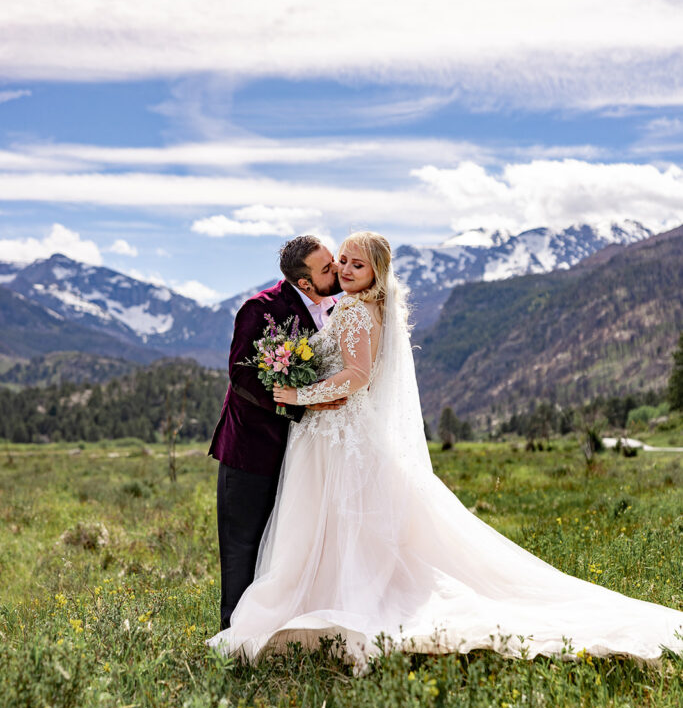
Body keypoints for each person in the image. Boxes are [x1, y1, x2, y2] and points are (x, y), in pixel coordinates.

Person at [208, 231, 683, 672]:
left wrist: (296, 395)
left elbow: (355, 377)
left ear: (376, 270)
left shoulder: (352, 310)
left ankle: (324, 608)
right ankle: (310, 604)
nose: (344, 270)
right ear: (307, 278)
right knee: (325, 525)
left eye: (354, 263)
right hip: (321, 434)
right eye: (339, 263)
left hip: (335, 433)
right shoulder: (344, 306)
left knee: (333, 524)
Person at [208, 234, 343, 631]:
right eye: (326, 268)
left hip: (306, 455)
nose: (335, 269)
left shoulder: (340, 309)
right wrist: (297, 401)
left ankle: (278, 629)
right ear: (304, 283)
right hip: (251, 450)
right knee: (242, 548)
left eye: (332, 260)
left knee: (288, 548)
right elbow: (242, 374)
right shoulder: (260, 310)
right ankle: (233, 638)